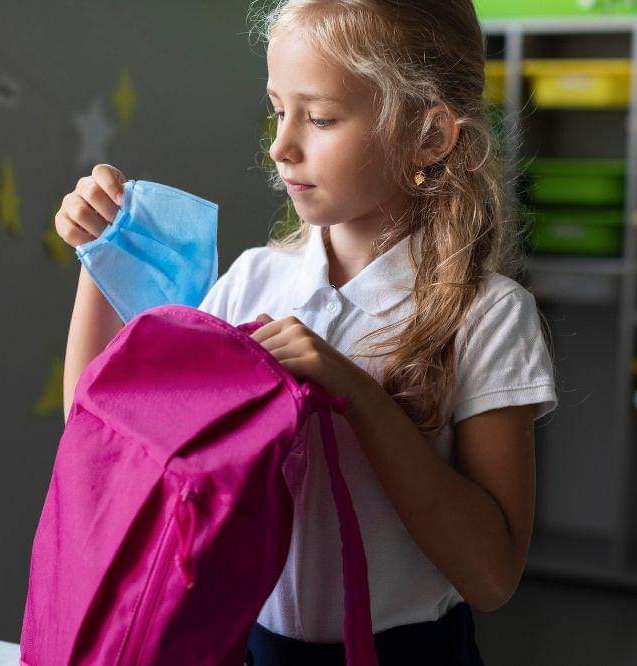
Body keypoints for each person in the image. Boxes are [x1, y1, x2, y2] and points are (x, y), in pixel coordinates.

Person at [53, 1, 559, 663]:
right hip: (253, 649)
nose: (281, 145)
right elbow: (100, 446)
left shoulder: (488, 314)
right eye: (277, 109)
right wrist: (103, 259)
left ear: (429, 137)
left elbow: (491, 576)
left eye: (319, 117)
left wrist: (359, 395)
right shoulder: (252, 283)